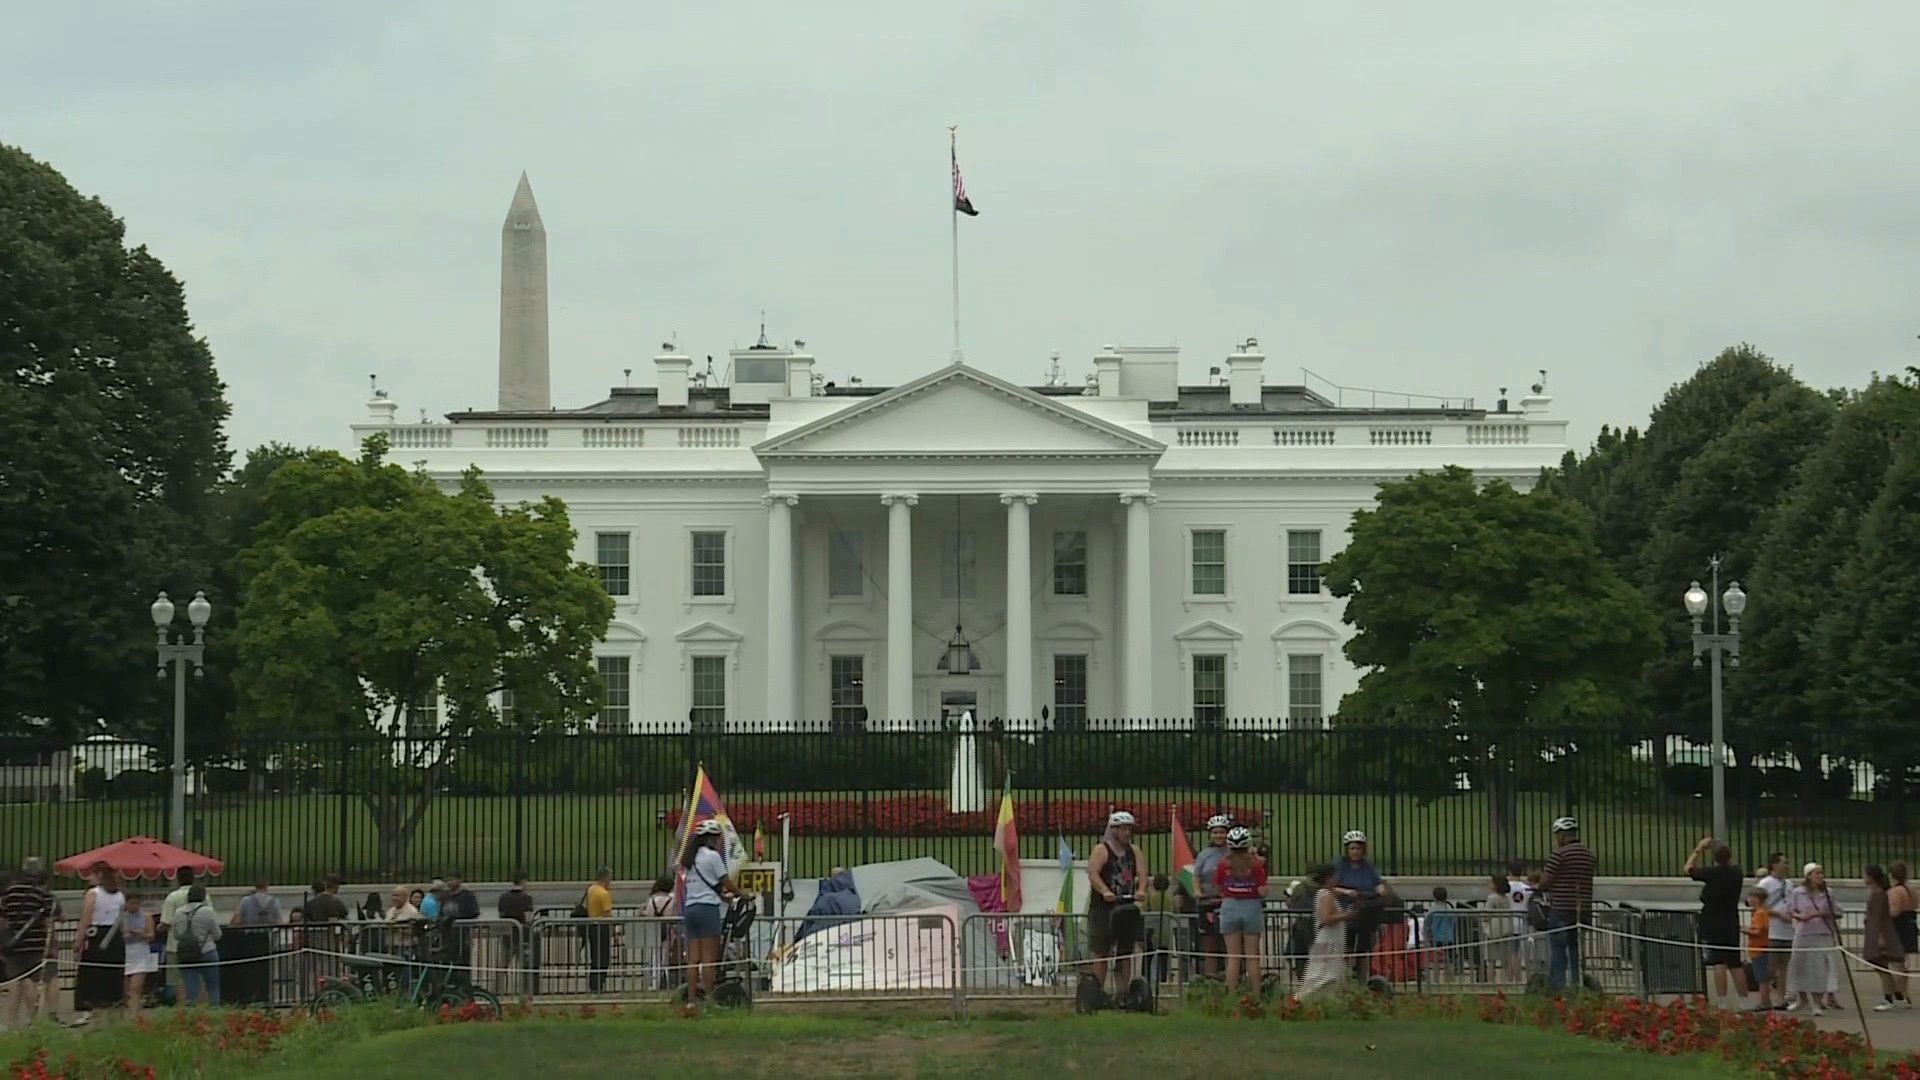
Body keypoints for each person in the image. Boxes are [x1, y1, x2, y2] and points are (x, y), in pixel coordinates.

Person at [1086, 810, 1150, 999]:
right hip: (1103, 909)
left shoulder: (1134, 851)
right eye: (1123, 829)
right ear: (1113, 830)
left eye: (1129, 829)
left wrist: (1142, 890)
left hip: (1126, 906)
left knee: (1125, 951)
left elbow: (1142, 874)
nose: (1127, 833)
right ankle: (1097, 992)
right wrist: (1104, 890)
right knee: (1101, 951)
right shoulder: (1102, 850)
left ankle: (1124, 993)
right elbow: (1093, 873)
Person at [681, 822, 741, 1007]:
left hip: (690, 908)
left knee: (693, 959)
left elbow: (704, 885)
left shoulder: (690, 859)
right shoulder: (712, 856)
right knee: (709, 959)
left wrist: (724, 898)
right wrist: (741, 894)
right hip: (707, 910)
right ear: (711, 838)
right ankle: (709, 998)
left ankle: (691, 1000)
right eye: (717, 839)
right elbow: (726, 882)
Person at [1684, 836, 1746, 1009]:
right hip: (1730, 920)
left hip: (1713, 920)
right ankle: (1744, 1000)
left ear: (1715, 858)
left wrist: (1698, 849)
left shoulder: (1712, 873)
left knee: (1719, 962)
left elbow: (1688, 868)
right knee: (1735, 962)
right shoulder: (1736, 872)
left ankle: (1722, 1001)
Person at [1, 856, 59, 1028]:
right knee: (32, 982)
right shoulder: (42, 894)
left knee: (14, 982)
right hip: (36, 944)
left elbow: (3, 920)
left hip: (13, 944)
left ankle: (11, 1020)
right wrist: (53, 945)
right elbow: (48, 923)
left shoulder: (9, 892)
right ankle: (33, 1019)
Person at [1538, 817, 1594, 993]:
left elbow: (1544, 883)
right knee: (1575, 949)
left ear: (1562, 836)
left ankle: (1558, 988)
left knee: (1558, 949)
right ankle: (1577, 985)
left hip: (1561, 908)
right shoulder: (1588, 855)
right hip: (1582, 908)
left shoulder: (1559, 854)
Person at [1213, 826, 1268, 992]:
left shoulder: (1223, 864)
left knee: (1233, 957)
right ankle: (1256, 995)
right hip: (1251, 907)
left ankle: (1231, 995)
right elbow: (1262, 891)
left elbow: (1217, 886)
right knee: (1252, 956)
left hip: (1229, 906)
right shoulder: (1256, 865)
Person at [1332, 830, 1388, 981]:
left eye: (1358, 848)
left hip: (1365, 912)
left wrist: (1381, 891)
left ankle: (1362, 980)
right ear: (1347, 850)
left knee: (1363, 949)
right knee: (1346, 948)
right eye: (1352, 848)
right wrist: (1346, 892)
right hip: (1346, 913)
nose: (1355, 852)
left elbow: (1377, 884)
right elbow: (1329, 887)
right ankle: (1343, 979)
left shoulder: (1367, 866)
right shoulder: (1339, 865)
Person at [1785, 862, 1840, 1016]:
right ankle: (1802, 999)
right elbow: (1790, 910)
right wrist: (1800, 916)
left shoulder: (1828, 893)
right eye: (1817, 873)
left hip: (1822, 933)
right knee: (1799, 965)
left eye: (1821, 873)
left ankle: (1817, 1002)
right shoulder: (1798, 892)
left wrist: (1822, 913)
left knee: (1819, 968)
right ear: (1808, 876)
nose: (1820, 876)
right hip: (1804, 933)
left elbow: (1836, 910)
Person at [74, 863, 127, 1016]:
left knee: (94, 977)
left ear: (99, 875)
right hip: (115, 937)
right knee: (113, 976)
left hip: (98, 936)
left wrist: (78, 943)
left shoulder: (93, 893)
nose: (89, 878)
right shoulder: (120, 895)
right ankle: (114, 1010)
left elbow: (86, 919)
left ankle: (95, 1008)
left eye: (91, 875)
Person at [1298, 863, 1353, 997]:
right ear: (1328, 878)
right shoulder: (1326, 896)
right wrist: (1345, 915)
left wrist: (1346, 891)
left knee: (1331, 970)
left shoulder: (1326, 893)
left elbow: (1336, 890)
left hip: (1333, 938)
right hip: (1328, 939)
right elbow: (1326, 918)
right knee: (1323, 972)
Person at [1864, 864, 1909, 1012]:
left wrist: (1880, 937)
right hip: (1877, 932)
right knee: (1882, 968)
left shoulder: (1879, 894)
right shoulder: (1878, 893)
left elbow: (1879, 917)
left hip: (1880, 933)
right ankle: (1897, 996)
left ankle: (1890, 997)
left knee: (1882, 967)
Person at [1193, 814, 1232, 978]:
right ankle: (1210, 978)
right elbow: (1197, 876)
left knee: (1228, 943)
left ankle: (1231, 978)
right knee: (1209, 943)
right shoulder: (1204, 855)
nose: (1218, 835)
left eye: (1222, 832)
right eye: (1215, 832)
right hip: (1208, 902)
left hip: (1227, 902)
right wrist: (1197, 891)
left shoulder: (1232, 853)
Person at [1754, 853, 1793, 1011]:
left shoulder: (1789, 884)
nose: (1787, 865)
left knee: (1783, 967)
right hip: (1772, 931)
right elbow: (1759, 906)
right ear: (1774, 865)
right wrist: (1778, 914)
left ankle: (1780, 999)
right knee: (1770, 967)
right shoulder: (1766, 883)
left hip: (1787, 931)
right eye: (1784, 862)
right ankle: (1764, 998)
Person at [174, 884, 222, 1006]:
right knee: (213, 987)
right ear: (203, 897)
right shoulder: (208, 911)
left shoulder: (178, 912)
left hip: (186, 954)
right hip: (207, 951)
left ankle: (192, 1015)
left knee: (191, 990)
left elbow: (176, 935)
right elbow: (217, 935)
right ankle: (214, 1012)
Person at [121, 892, 158, 1013]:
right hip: (126, 952)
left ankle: (134, 1014)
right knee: (125, 990)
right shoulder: (122, 917)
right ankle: (128, 1010)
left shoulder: (146, 916)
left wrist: (142, 935)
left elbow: (151, 935)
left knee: (135, 988)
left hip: (140, 952)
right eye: (132, 903)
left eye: (137, 903)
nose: (135, 906)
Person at [583, 865, 617, 995]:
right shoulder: (603, 893)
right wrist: (614, 931)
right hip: (601, 928)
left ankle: (593, 985)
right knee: (603, 958)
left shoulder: (591, 889)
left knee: (595, 957)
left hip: (592, 925)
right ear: (605, 878)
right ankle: (598, 984)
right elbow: (607, 914)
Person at [644, 874, 680, 991]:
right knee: (664, 958)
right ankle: (665, 980)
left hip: (654, 930)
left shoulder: (651, 900)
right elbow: (674, 915)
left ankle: (654, 982)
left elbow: (648, 914)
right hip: (668, 930)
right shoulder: (672, 900)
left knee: (654, 957)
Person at [1891, 863, 1917, 1008]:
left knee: (1896, 964)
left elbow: (1895, 911)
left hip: (1898, 927)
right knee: (1903, 964)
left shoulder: (1895, 891)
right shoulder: (1912, 890)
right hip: (1910, 925)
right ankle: (1904, 994)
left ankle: (1900, 995)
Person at [1743, 885, 1773, 1012]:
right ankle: (1766, 1001)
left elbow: (1758, 931)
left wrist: (1744, 930)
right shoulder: (1759, 912)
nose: (1748, 900)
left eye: (1750, 897)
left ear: (1756, 899)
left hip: (1759, 948)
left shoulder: (1760, 913)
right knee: (1762, 977)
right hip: (1757, 949)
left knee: (1762, 979)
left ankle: (1764, 1003)